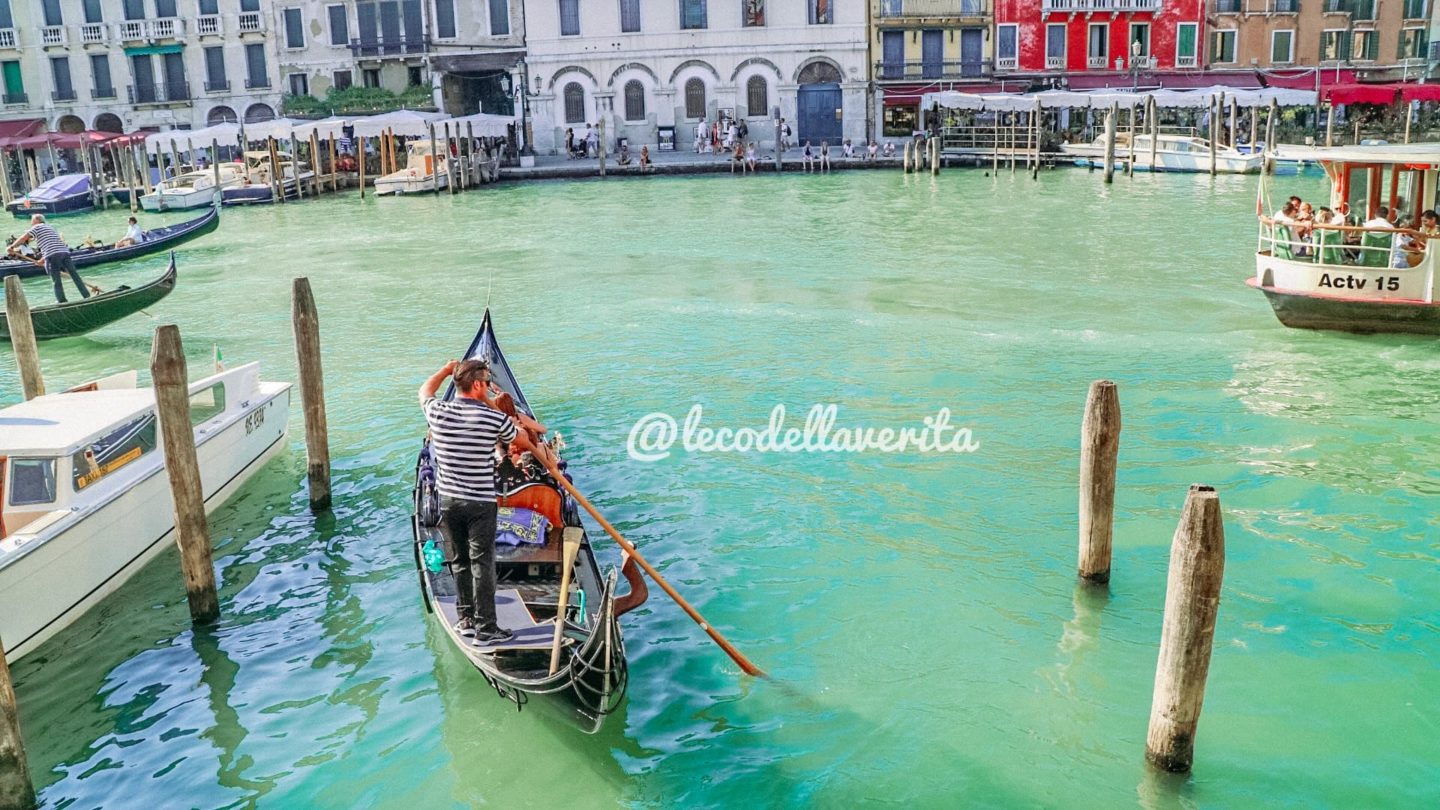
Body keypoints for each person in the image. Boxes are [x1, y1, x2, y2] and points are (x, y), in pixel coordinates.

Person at [419, 359, 542, 646]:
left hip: (449, 501)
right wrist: (489, 402)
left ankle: (466, 621)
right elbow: (521, 440)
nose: (489, 387)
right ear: (477, 385)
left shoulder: (438, 411)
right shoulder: (493, 419)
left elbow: (424, 391)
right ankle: (486, 629)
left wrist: (445, 371)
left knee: (460, 561)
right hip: (480, 503)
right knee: (482, 564)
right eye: (487, 383)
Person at [8, 214, 89, 303]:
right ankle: (86, 295)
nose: (31, 223)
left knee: (56, 279)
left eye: (32, 220)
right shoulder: (50, 227)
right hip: (64, 253)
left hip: (52, 255)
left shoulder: (37, 227)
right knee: (75, 276)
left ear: (37, 220)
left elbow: (23, 238)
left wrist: (12, 246)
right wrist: (41, 260)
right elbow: (51, 246)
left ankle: (61, 300)